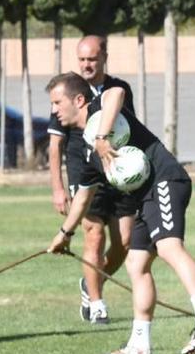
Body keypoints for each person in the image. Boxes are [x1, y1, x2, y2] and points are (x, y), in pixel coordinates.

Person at [45, 73, 195, 354]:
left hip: (166, 180)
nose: (53, 110)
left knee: (169, 247)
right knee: (136, 262)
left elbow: (116, 92)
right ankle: (139, 345)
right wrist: (64, 234)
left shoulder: (98, 109)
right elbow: (83, 197)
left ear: (78, 100)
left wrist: (103, 136)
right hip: (144, 197)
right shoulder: (83, 149)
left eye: (57, 102)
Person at [47, 35, 137, 325]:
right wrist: (58, 187)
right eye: (82, 59)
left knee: (124, 240)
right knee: (94, 234)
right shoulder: (68, 92)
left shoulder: (119, 89)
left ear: (104, 58)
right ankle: (97, 304)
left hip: (115, 171)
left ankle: (91, 283)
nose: (86, 65)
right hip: (83, 172)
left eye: (92, 59)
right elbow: (54, 145)